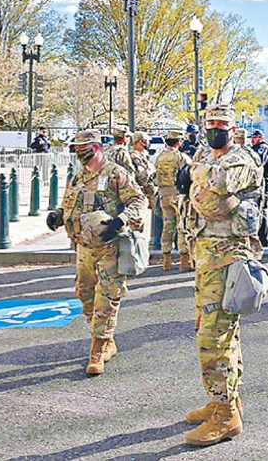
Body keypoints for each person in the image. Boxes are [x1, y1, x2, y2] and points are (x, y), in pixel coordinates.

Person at [183, 104, 263, 446]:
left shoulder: (242, 159)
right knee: (215, 329)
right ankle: (227, 398)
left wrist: (196, 172)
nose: (216, 128)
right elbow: (205, 191)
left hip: (229, 257)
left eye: (222, 124)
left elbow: (222, 181)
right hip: (206, 257)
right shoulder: (207, 156)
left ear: (233, 128)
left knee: (214, 336)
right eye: (211, 123)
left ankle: (225, 413)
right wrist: (203, 174)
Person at [45, 129, 147, 375]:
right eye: (77, 149)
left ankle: (98, 350)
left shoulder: (115, 173)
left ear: (97, 147)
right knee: (84, 294)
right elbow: (72, 202)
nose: (80, 153)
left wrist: (121, 220)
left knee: (106, 299)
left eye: (85, 149)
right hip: (84, 247)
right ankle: (107, 340)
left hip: (109, 247)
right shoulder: (79, 176)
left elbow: (139, 200)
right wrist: (58, 215)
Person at [154, 129, 192, 272]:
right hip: (178, 195)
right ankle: (184, 261)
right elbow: (187, 176)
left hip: (164, 193)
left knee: (167, 226)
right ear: (179, 142)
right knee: (182, 226)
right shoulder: (181, 157)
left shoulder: (159, 157)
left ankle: (166, 260)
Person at [250, 129, 268, 248]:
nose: (252, 140)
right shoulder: (254, 148)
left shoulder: (262, 149)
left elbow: (258, 164)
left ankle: (263, 239)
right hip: (258, 182)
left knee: (261, 209)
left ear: (260, 138)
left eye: (254, 138)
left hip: (263, 182)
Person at [130, 131, 157, 209]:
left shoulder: (143, 154)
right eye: (145, 141)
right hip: (140, 192)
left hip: (147, 191)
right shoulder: (134, 156)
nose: (147, 143)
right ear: (139, 142)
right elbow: (141, 175)